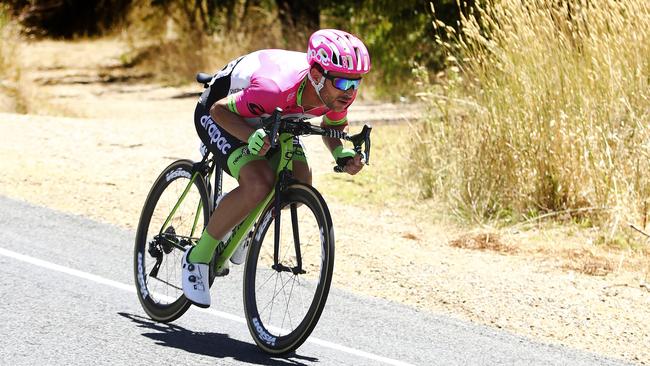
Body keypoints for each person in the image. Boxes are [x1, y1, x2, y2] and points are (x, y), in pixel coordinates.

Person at [182, 29, 371, 307]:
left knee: (300, 181)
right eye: (343, 82)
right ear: (317, 76)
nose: (351, 92)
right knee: (258, 182)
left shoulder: (333, 93)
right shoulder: (275, 89)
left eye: (357, 83)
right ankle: (197, 257)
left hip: (272, 117)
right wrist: (249, 137)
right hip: (225, 112)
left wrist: (342, 153)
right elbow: (219, 112)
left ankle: (237, 217)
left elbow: (334, 125)